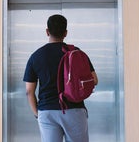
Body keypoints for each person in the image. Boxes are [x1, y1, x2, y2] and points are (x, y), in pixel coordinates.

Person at [23, 14, 98, 142]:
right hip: (74, 109)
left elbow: (29, 91)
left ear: (47, 32)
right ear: (65, 33)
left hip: (47, 111)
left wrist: (38, 114)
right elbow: (94, 80)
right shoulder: (76, 53)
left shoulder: (36, 56)